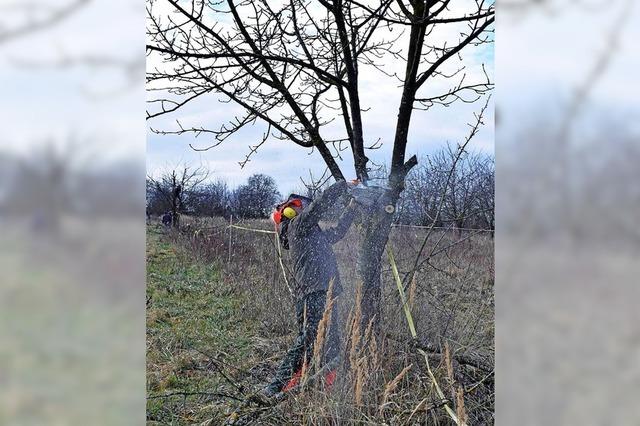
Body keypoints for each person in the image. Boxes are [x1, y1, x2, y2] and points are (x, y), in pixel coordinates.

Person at [262, 180, 358, 397]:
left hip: (325, 290)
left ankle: (322, 384)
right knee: (309, 337)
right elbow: (319, 207)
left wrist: (352, 206)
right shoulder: (297, 226)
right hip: (313, 291)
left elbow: (338, 232)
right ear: (290, 209)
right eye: (300, 205)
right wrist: (343, 185)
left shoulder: (310, 232)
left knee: (330, 342)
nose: (304, 207)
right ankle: (275, 386)